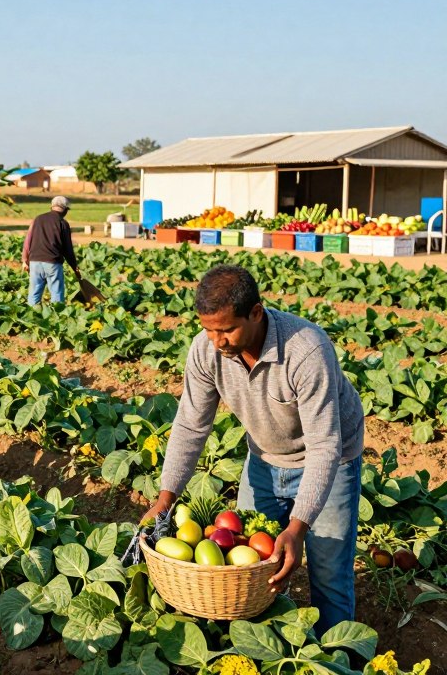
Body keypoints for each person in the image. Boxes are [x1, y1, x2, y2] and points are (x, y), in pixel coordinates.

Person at [141, 265, 364, 636]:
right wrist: (166, 498)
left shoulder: (306, 350)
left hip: (330, 460)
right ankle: (270, 648)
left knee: (329, 574)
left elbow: (325, 445)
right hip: (263, 459)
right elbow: (190, 425)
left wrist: (297, 526)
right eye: (209, 329)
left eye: (227, 329)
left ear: (256, 313)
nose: (217, 340)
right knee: (250, 568)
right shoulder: (205, 350)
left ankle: (338, 656)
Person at [22, 195, 81, 305]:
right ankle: (57, 319)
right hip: (52, 263)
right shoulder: (63, 223)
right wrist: (74, 266)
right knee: (57, 295)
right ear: (64, 210)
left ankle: (31, 318)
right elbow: (68, 249)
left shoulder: (38, 219)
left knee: (34, 294)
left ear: (52, 207)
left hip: (35, 263)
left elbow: (28, 240)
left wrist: (25, 260)